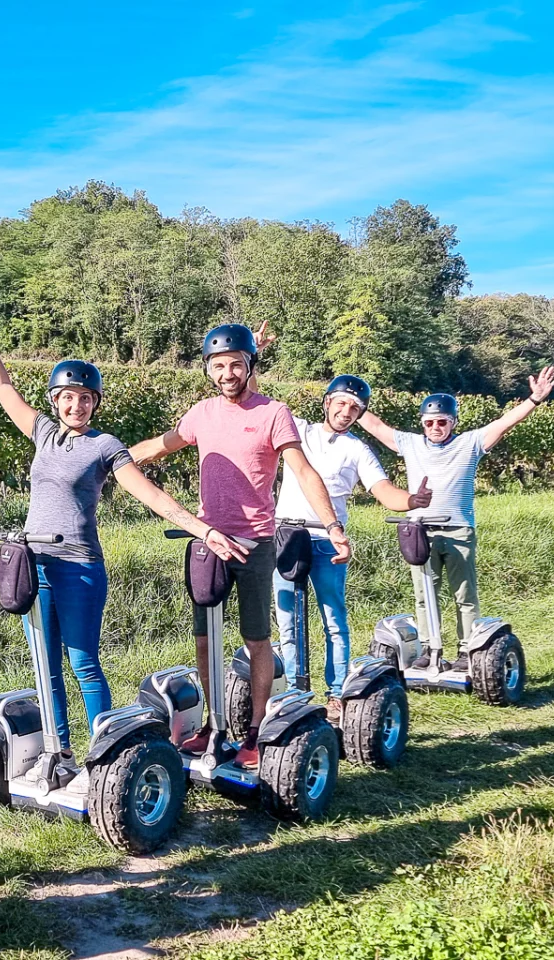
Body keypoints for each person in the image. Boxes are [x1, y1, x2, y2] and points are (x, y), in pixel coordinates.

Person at [0, 282, 249, 759]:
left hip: (78, 567)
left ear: (95, 403)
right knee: (46, 666)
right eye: (68, 397)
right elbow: (1, 386)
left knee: (83, 663)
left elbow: (151, 494)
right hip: (34, 563)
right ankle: (59, 753)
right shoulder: (41, 434)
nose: (77, 406)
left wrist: (203, 529)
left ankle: (105, 755)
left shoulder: (104, 446)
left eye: (85, 398)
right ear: (55, 400)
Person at [128, 323, 352, 769]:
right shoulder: (202, 413)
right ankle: (215, 727)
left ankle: (253, 733)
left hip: (255, 543)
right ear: (209, 370)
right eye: (218, 366)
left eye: (235, 364)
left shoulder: (274, 413)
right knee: (204, 640)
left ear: (249, 366)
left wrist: (333, 525)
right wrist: (110, 459)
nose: (226, 372)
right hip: (209, 543)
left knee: (257, 640)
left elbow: (303, 471)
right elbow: (159, 446)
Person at [354, 367, 554, 660]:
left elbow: (504, 423)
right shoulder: (410, 443)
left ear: (452, 423)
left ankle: (467, 649)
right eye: (430, 422)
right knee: (425, 594)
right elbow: (375, 426)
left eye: (442, 422)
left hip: (458, 530)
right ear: (423, 423)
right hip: (420, 531)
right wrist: (349, 399)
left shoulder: (471, 443)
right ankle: (428, 647)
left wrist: (534, 400)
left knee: (464, 594)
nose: (435, 427)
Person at [270, 375, 431, 722]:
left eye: (354, 409)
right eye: (341, 404)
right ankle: (297, 693)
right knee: (288, 620)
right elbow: (256, 402)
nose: (346, 412)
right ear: (327, 402)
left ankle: (336, 693)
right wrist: (255, 357)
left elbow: (382, 488)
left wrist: (411, 500)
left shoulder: (356, 449)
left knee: (333, 619)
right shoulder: (298, 430)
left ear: (360, 415)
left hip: (329, 541)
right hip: (286, 534)